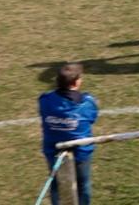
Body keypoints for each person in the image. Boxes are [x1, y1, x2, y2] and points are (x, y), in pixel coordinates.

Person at [39, 63, 99, 205]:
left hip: (53, 149)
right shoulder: (87, 103)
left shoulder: (45, 101)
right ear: (76, 82)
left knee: (55, 183)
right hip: (81, 151)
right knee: (83, 184)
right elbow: (92, 117)